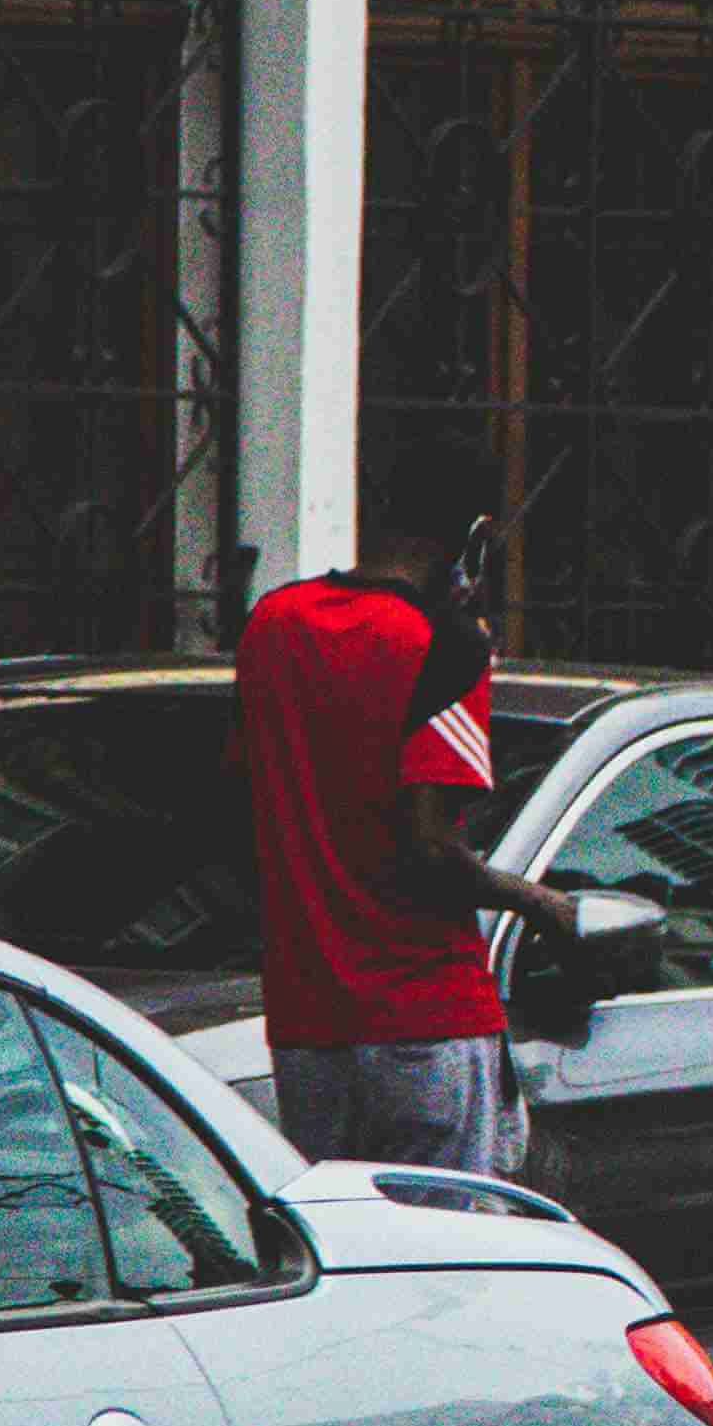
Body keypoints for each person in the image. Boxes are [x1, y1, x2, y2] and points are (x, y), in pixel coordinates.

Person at [235, 430, 581, 1175]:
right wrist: (543, 903)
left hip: (306, 1026)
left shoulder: (272, 624)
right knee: (442, 1267)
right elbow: (430, 847)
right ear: (474, 538)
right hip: (424, 1014)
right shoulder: (446, 645)